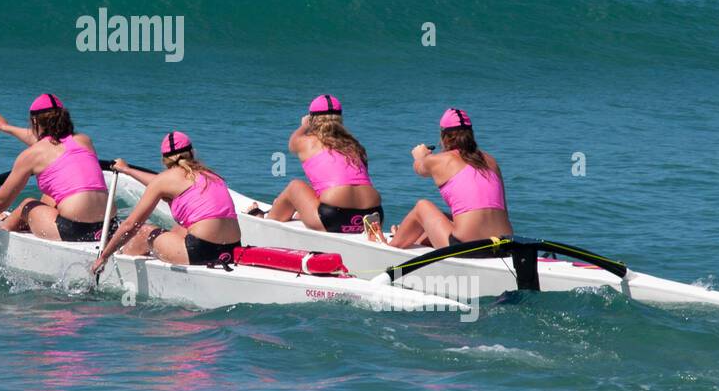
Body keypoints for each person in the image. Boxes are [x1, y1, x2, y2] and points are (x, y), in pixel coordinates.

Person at [0, 93, 114, 242]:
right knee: (50, 196)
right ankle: (17, 223)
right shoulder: (84, 140)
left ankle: (0, 229)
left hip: (74, 229)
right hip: (109, 226)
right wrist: (4, 127)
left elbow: (2, 199)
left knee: (27, 205)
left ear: (34, 121)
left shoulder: (31, 155)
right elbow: (47, 143)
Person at [92, 132, 241, 275]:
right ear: (193, 153)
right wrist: (127, 170)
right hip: (231, 250)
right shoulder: (213, 176)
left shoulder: (165, 179)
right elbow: (159, 184)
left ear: (164, 160)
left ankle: (119, 265)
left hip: (199, 251)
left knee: (142, 232)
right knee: (179, 229)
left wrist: (104, 255)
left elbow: (130, 225)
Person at [250, 94, 383, 234]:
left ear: (313, 119)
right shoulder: (355, 146)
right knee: (326, 191)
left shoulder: (308, 142)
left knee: (295, 186)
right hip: (372, 216)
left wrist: (305, 126)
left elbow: (292, 143)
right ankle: (297, 214)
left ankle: (265, 221)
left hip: (334, 217)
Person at [388, 108, 513, 249]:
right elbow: (504, 211)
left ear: (444, 136)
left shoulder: (440, 160)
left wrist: (421, 155)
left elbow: (419, 169)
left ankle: (393, 245)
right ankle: (413, 239)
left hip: (467, 248)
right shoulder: (491, 161)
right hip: (504, 246)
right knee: (446, 217)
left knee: (422, 206)